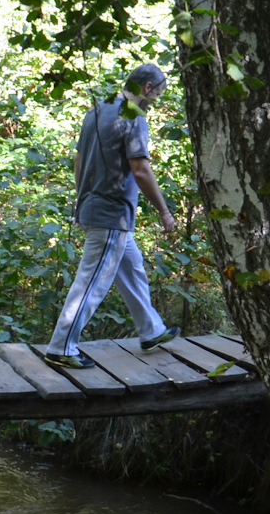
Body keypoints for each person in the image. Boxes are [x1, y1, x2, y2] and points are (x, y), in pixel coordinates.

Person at [41, 63, 181, 371]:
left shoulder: (97, 108)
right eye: (157, 94)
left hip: (96, 208)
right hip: (111, 214)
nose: (156, 101)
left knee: (132, 268)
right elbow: (141, 170)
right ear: (147, 89)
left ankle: (151, 331)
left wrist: (81, 200)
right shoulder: (134, 118)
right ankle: (60, 347)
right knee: (91, 283)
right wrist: (164, 210)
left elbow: (78, 159)